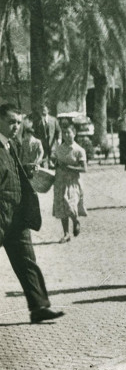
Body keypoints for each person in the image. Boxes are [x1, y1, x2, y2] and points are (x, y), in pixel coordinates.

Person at [0, 104, 65, 323]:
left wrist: (25, 170)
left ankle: (38, 307)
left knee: (28, 262)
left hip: (16, 217)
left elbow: (11, 173)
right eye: (11, 122)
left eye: (18, 122)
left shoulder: (11, 145)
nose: (16, 126)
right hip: (1, 215)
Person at [52, 123, 88, 243]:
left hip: (73, 183)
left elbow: (84, 169)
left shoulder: (79, 150)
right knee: (62, 208)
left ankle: (76, 220)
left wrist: (68, 168)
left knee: (71, 206)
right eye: (64, 133)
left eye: (69, 133)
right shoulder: (59, 149)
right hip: (60, 181)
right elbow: (55, 164)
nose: (66, 135)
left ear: (74, 133)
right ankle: (66, 233)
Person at [29, 104, 61, 168]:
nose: (43, 111)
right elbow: (34, 132)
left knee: (53, 161)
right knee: (44, 161)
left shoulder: (53, 119)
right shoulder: (37, 121)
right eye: (41, 110)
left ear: (48, 110)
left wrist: (59, 139)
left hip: (52, 145)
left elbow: (58, 131)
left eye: (44, 110)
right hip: (42, 144)